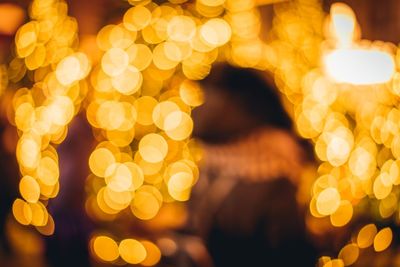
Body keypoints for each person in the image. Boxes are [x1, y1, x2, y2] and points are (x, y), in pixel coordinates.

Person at [187, 63, 317, 266]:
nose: (196, 108)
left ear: (241, 106)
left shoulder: (273, 175)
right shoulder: (214, 165)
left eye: (206, 97)